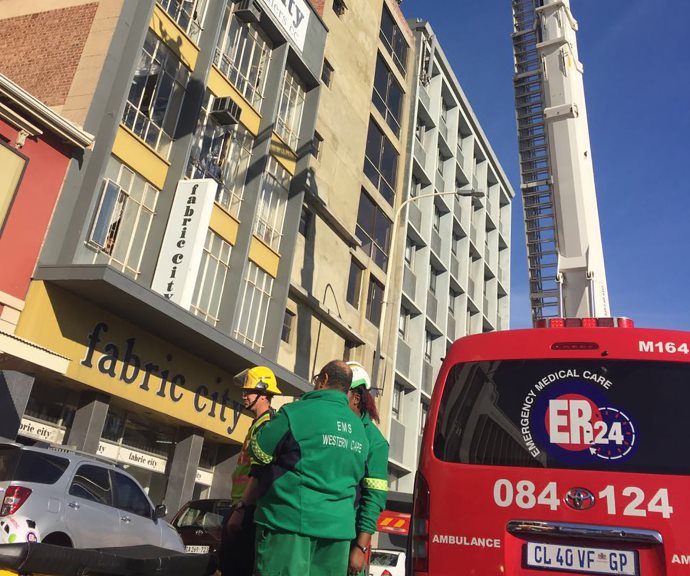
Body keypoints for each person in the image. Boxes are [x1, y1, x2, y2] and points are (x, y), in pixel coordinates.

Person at [249, 360, 369, 576]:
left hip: (289, 525)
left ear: (323, 380)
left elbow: (259, 451)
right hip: (338, 534)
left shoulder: (295, 413)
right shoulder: (360, 430)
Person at [219, 366, 282, 576]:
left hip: (247, 510)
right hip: (242, 506)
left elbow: (259, 472)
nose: (244, 396)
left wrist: (241, 509)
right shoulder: (258, 423)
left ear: (264, 395)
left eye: (249, 391)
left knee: (236, 567)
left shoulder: (266, 426)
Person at [345, 361, 389, 576]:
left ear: (356, 398)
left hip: (350, 538)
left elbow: (374, 498)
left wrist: (360, 547)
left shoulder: (375, 441)